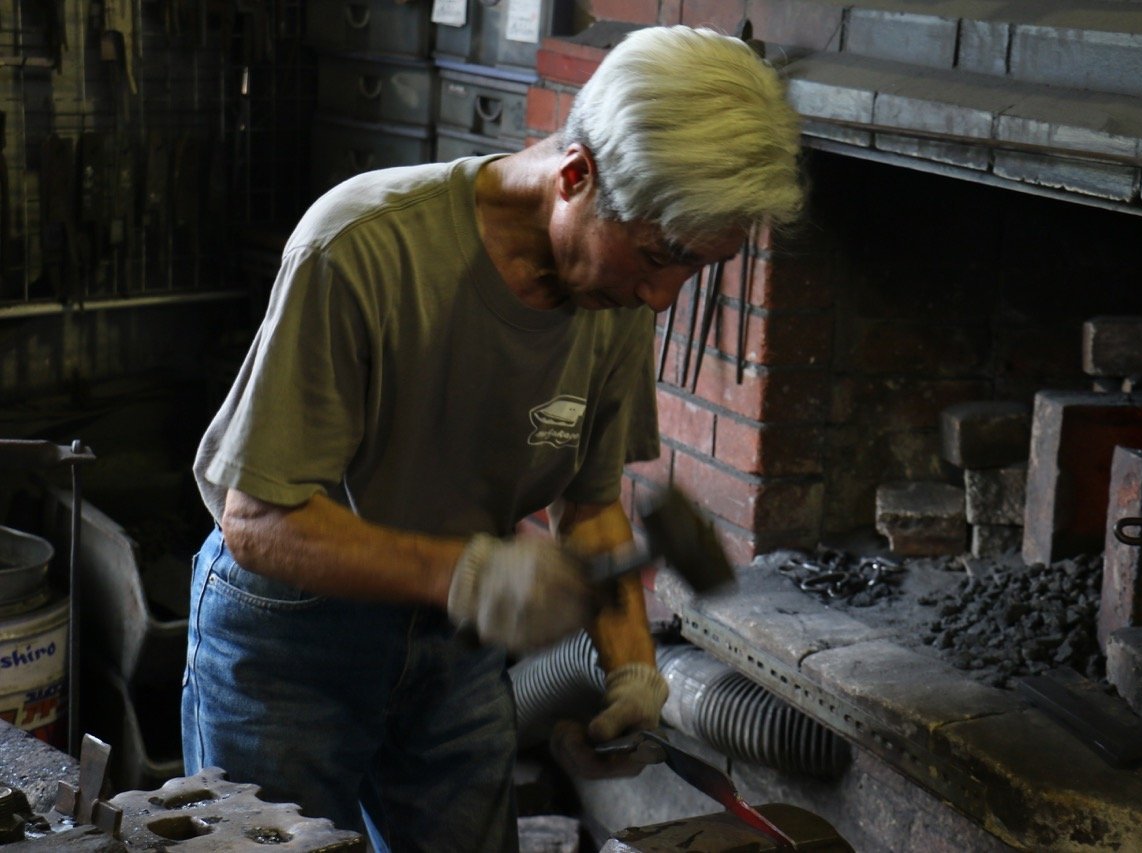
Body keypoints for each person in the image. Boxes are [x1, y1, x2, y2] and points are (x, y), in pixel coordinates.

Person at [183, 23, 804, 852]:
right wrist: (469, 572)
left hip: (455, 640)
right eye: (659, 258)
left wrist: (629, 669)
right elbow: (257, 521)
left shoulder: (609, 291)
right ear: (576, 175)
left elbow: (590, 508)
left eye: (692, 270)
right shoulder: (360, 245)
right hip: (292, 640)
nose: (661, 300)